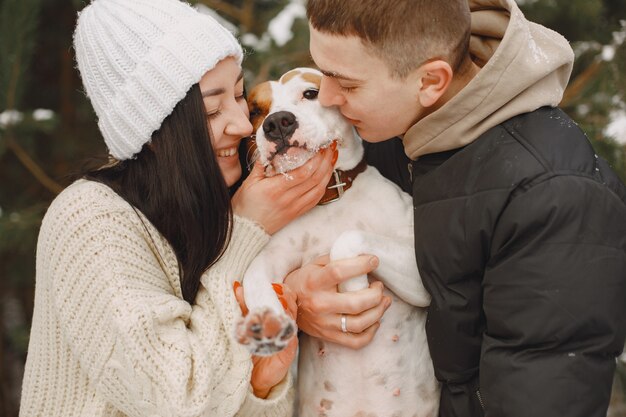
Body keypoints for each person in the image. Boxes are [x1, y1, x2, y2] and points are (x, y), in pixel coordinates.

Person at [288, 0, 626, 416]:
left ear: (431, 80)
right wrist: (297, 296)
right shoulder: (385, 123)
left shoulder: (553, 195)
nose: (327, 97)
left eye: (348, 84)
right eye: (321, 71)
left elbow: (540, 396)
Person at [18, 0, 338, 416]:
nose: (244, 125)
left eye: (241, 96)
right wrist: (244, 230)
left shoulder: (223, 202)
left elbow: (242, 395)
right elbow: (174, 398)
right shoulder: (89, 220)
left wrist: (262, 383)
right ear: (153, 132)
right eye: (211, 109)